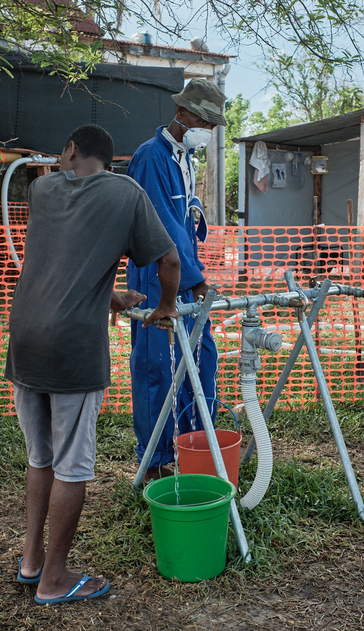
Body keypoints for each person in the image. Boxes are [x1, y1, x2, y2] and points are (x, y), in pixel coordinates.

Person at [5, 124, 180, 604]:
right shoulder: (127, 192)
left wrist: (110, 298)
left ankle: (31, 562)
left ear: (70, 150)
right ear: (111, 159)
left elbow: (65, 261)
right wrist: (165, 307)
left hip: (25, 341)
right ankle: (55, 580)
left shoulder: (41, 189)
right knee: (73, 466)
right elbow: (169, 261)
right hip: (72, 349)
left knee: (41, 458)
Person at [125, 78, 227, 480]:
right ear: (182, 113)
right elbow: (161, 228)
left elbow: (184, 222)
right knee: (157, 369)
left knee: (202, 361)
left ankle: (195, 445)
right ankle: (155, 461)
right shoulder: (152, 158)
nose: (209, 129)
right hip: (157, 278)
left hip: (185, 274)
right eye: (205, 120)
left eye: (213, 124)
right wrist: (196, 279)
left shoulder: (184, 157)